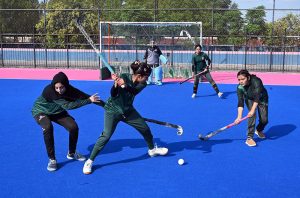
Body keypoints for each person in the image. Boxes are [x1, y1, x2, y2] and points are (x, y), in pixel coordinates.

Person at [83, 60, 168, 174]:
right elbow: (113, 94)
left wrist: (124, 84)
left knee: (145, 129)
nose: (147, 79)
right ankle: (90, 160)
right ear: (139, 76)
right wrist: (115, 84)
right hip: (112, 110)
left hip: (128, 111)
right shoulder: (123, 77)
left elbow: (133, 91)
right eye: (146, 77)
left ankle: (152, 150)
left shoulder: (142, 84)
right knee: (106, 136)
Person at [32, 72, 102, 171]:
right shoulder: (49, 90)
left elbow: (82, 95)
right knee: (48, 127)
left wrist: (104, 105)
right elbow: (68, 106)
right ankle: (52, 159)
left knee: (73, 127)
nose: (59, 90)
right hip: (41, 111)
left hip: (57, 111)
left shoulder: (70, 90)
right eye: (56, 88)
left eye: (61, 87)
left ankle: (72, 153)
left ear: (66, 85)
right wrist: (88, 101)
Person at [234, 69, 268, 147]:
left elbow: (257, 96)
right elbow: (240, 102)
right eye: (239, 79)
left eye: (243, 79)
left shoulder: (256, 81)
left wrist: (253, 110)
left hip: (262, 98)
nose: (240, 81)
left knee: (264, 120)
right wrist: (239, 117)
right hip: (249, 99)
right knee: (252, 116)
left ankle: (259, 130)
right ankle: (249, 137)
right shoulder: (240, 87)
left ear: (248, 78)